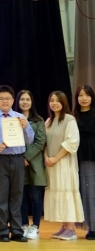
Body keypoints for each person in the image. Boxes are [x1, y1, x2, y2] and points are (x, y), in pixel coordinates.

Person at [0, 85, 34, 243]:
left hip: (17, 158)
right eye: (1, 98)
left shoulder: (19, 117)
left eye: (8, 98)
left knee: (17, 195)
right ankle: (3, 230)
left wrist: (25, 127)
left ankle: (16, 230)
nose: (5, 101)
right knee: (0, 195)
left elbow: (30, 139)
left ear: (13, 100)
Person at [44, 91, 84, 241]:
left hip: (65, 164)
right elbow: (44, 143)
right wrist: (47, 157)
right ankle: (64, 226)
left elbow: (72, 142)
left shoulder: (69, 119)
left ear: (64, 102)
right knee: (57, 194)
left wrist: (56, 158)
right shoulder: (48, 121)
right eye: (52, 100)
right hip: (51, 165)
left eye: (57, 100)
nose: (54, 103)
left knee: (66, 193)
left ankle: (71, 229)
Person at [13, 90, 46, 240]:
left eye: (28, 99)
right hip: (17, 162)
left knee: (36, 196)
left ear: (32, 102)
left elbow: (40, 142)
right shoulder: (12, 119)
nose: (25, 102)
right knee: (21, 196)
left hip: (35, 163)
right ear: (17, 101)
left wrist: (26, 156)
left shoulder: (38, 120)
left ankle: (36, 226)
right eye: (22, 99)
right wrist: (20, 158)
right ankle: (24, 225)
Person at [74, 85, 95, 239]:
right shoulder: (73, 116)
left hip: (92, 155)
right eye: (81, 95)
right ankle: (91, 227)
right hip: (80, 156)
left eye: (87, 95)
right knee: (87, 193)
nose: (84, 98)